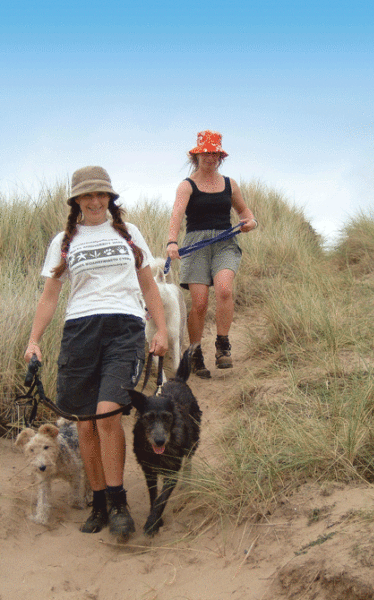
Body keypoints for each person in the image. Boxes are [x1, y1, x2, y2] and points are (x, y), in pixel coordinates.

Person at [24, 166, 168, 542]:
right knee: (85, 422)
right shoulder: (64, 241)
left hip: (124, 329)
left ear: (110, 198)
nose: (94, 201)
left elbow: (148, 286)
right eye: (87, 195)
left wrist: (163, 330)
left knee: (107, 416)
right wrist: (33, 339)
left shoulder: (128, 233)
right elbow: (50, 295)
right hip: (80, 332)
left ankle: (119, 503)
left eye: (101, 194)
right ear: (76, 201)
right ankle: (99, 502)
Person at [166, 130, 257, 379]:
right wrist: (172, 242)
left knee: (225, 289)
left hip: (225, 241)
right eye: (206, 153)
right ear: (197, 155)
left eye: (215, 153)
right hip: (196, 244)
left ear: (220, 156)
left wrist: (251, 222)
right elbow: (176, 214)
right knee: (200, 303)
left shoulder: (230, 184)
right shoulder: (187, 185)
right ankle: (195, 353)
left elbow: (245, 212)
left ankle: (222, 344)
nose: (210, 157)